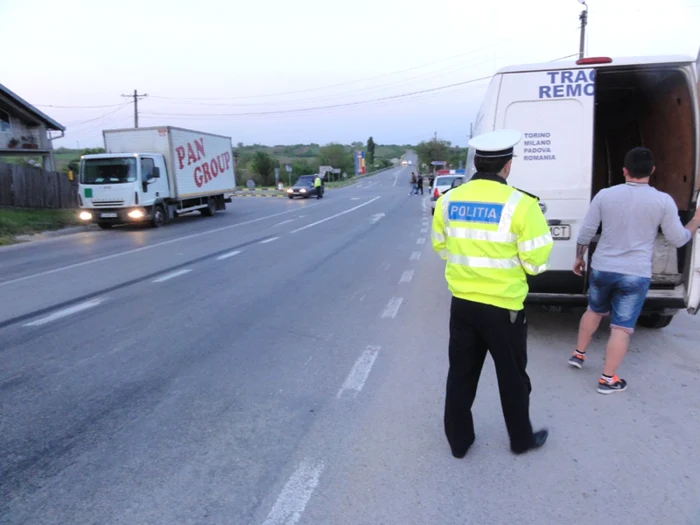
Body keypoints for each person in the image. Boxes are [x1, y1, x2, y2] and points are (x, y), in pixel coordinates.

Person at [432, 129, 553, 457]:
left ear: (476, 162)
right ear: (507, 166)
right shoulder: (522, 205)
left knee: (461, 374)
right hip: (504, 307)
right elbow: (536, 262)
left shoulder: (448, 200)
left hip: (463, 304)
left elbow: (441, 247)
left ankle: (459, 443)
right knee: (512, 377)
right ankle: (520, 440)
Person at [569, 147, 700, 393]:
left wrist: (579, 258)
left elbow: (586, 231)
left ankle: (578, 355)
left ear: (624, 171)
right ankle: (608, 380)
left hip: (603, 267)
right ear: (652, 171)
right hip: (635, 273)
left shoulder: (605, 195)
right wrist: (695, 222)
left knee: (594, 310)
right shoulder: (662, 201)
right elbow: (678, 239)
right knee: (621, 327)